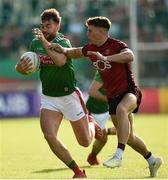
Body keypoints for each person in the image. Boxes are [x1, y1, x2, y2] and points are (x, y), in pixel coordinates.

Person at [48, 16, 162, 177]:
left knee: (123, 109)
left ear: (101, 31)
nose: (87, 33)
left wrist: (105, 58)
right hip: (113, 97)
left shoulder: (116, 45)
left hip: (129, 91)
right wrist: (62, 49)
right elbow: (75, 52)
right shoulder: (90, 48)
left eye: (90, 30)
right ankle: (152, 160)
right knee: (129, 137)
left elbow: (130, 56)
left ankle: (118, 155)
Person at [15, 9, 103, 179]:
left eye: (48, 25)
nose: (45, 29)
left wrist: (43, 41)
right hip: (49, 97)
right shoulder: (35, 44)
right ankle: (78, 172)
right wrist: (20, 68)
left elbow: (60, 61)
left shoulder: (63, 41)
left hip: (69, 95)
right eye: (43, 26)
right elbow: (27, 66)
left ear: (57, 25)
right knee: (49, 136)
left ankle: (91, 122)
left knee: (85, 142)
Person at [86, 71, 116, 166]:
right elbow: (92, 91)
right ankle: (92, 157)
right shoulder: (105, 69)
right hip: (96, 110)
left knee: (127, 129)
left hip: (111, 107)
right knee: (103, 139)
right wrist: (110, 100)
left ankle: (102, 132)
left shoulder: (122, 71)